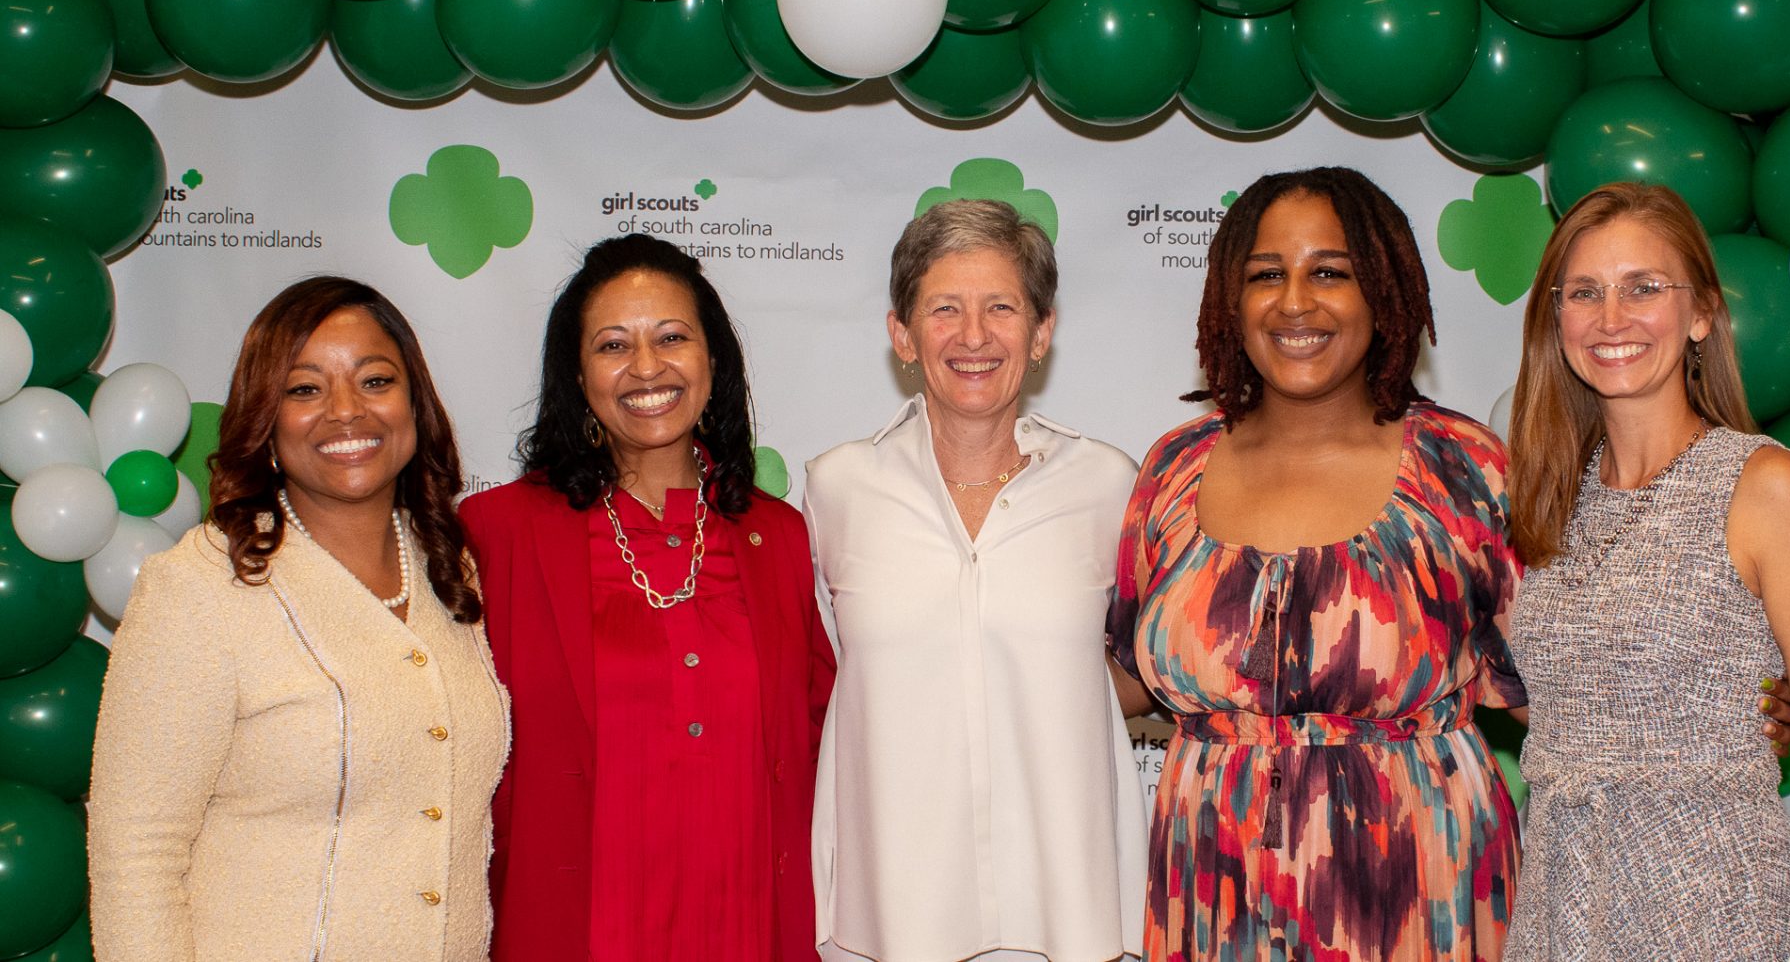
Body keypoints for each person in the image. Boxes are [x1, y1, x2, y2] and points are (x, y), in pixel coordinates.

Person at [1105, 166, 1527, 961]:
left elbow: (1555, 688)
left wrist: (1721, 717)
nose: (1295, 301)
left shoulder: (1464, 469)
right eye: (1267, 274)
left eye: (1329, 271)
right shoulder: (1173, 468)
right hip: (1213, 893)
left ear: (1384, 292)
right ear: (1232, 301)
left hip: (1419, 894)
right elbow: (1123, 677)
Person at [88, 276, 509, 962]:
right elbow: (135, 854)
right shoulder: (200, 587)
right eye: (305, 389)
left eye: (375, 381)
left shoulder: (450, 570)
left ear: (415, 403)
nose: (346, 412)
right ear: (267, 419)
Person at [1503, 183, 1790, 961]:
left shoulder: (1768, 488)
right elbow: (1582, 714)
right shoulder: (1548, 498)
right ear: (1556, 320)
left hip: (1714, 916)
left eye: (1644, 288)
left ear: (1700, 313)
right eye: (1585, 293)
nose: (1612, 319)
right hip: (1556, 919)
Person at [460, 234, 833, 962]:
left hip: (747, 926)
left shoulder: (777, 536)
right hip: (576, 930)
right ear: (576, 373)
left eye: (672, 338)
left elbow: (822, 740)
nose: (647, 367)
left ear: (713, 360)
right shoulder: (498, 533)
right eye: (612, 345)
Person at [807, 198, 1147, 962]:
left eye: (1001, 307)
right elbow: (828, 674)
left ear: (1042, 333)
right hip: (890, 915)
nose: (973, 336)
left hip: (1068, 912)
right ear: (901, 335)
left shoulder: (1108, 484)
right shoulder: (836, 490)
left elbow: (1149, 668)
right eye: (944, 309)